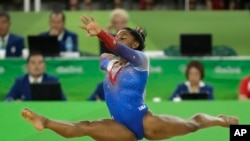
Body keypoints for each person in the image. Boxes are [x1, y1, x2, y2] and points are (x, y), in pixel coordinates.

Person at [21, 16, 238, 141]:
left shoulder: (141, 61)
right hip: (121, 128)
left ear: (135, 44)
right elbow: (105, 56)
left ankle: (224, 122)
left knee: (192, 125)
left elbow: (114, 48)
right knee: (84, 126)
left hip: (146, 122)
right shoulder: (110, 62)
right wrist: (109, 48)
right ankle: (45, 122)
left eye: (123, 37)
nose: (117, 39)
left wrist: (102, 35)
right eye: (116, 36)